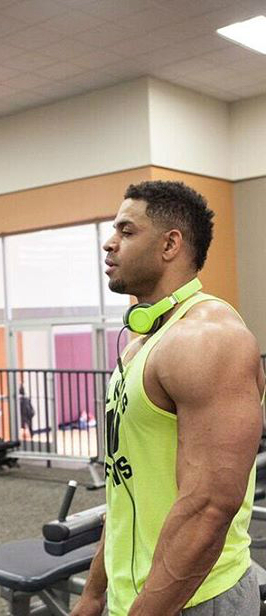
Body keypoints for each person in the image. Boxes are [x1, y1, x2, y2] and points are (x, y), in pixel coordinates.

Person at [71, 180, 265, 616]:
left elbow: (209, 509)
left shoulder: (209, 339)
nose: (109, 243)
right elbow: (125, 487)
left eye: (126, 230)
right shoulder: (140, 343)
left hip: (195, 598)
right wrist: (95, 592)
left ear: (170, 243)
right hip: (136, 596)